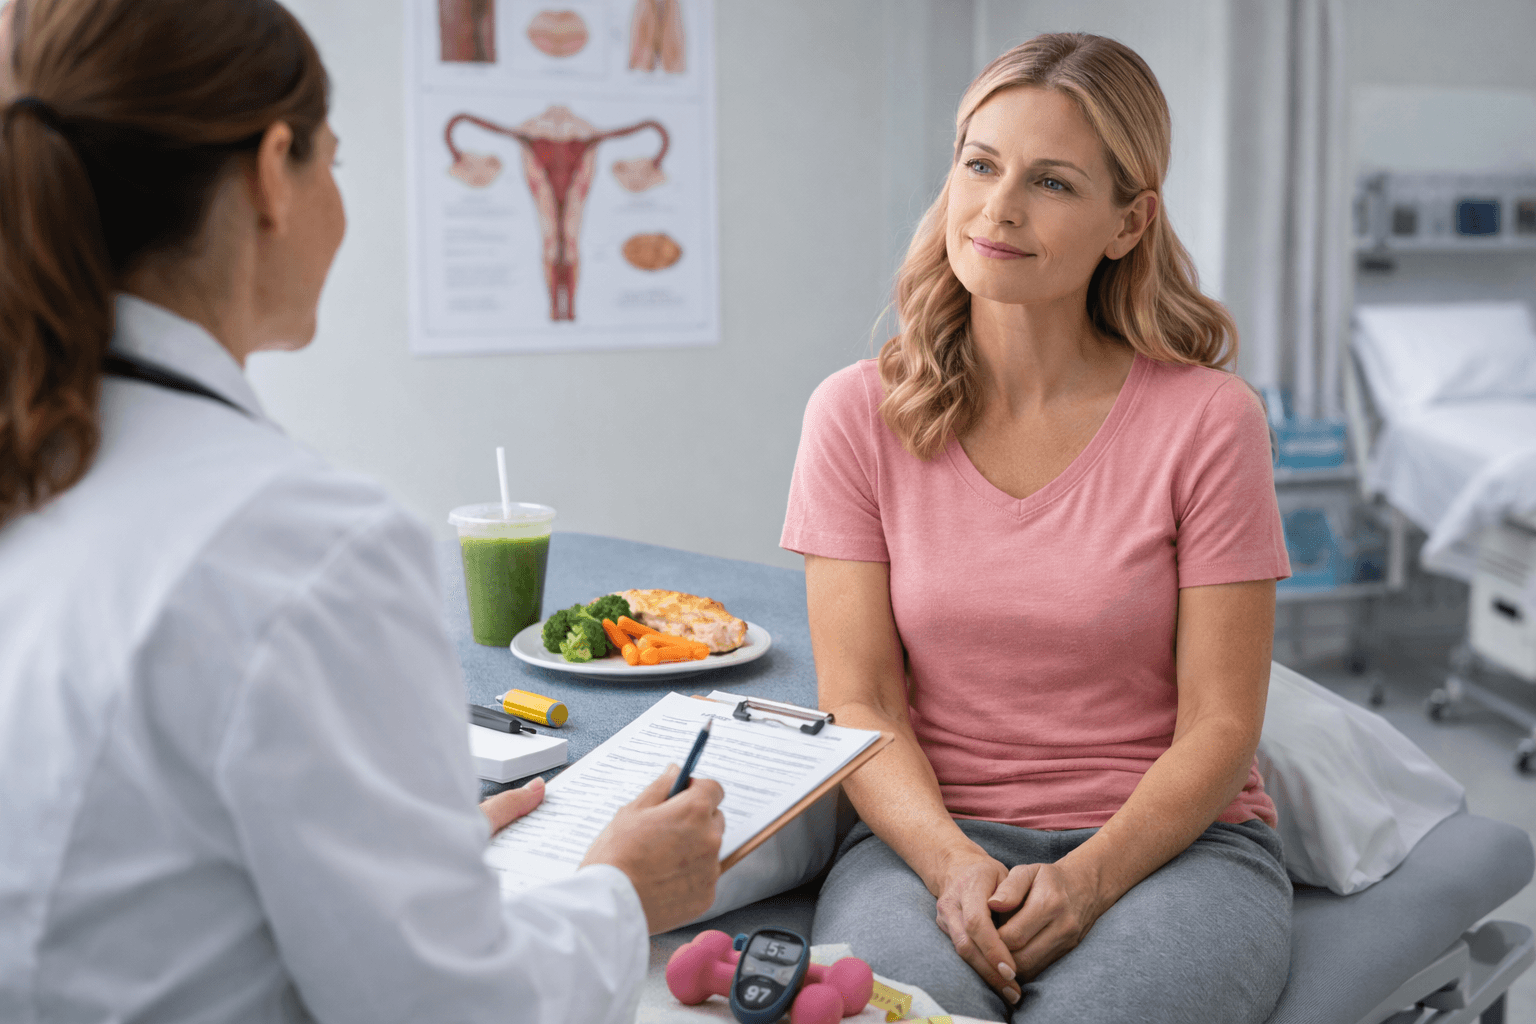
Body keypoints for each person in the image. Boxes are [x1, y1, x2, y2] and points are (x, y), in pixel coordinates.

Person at [0, 2, 724, 1022]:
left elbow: (126, 869)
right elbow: (455, 1010)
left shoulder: (41, 474)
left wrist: (400, 855)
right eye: (334, 163)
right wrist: (622, 891)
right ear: (271, 169)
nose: (341, 201)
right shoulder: (305, 547)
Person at [782, 33, 1292, 1024]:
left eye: (1053, 182)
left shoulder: (1208, 419)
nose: (998, 208)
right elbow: (861, 698)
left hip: (1169, 853)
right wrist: (952, 865)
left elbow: (1223, 726)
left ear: (1127, 222)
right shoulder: (853, 415)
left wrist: (1089, 880)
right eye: (981, 164)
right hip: (924, 844)